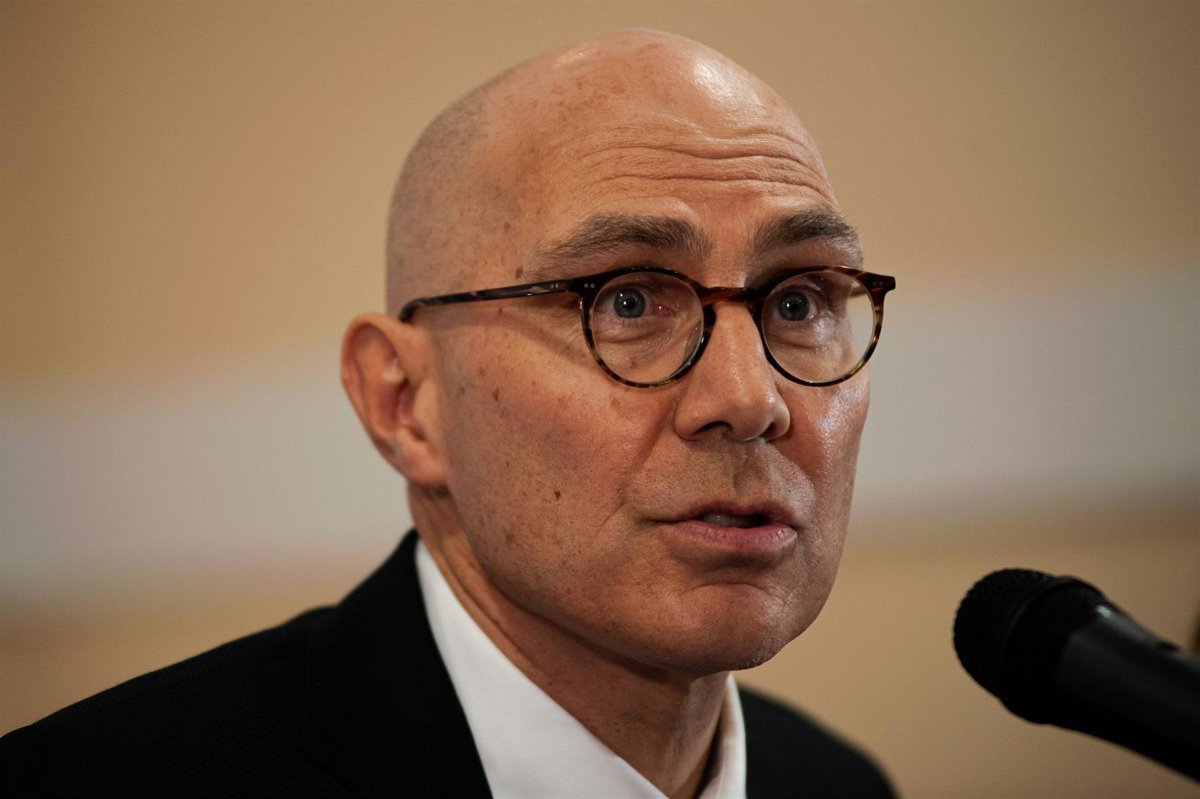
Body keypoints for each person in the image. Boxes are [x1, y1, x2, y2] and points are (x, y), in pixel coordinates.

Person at [1, 30, 896, 798]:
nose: (749, 399)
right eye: (626, 300)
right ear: (405, 401)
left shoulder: (839, 783)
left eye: (798, 300)